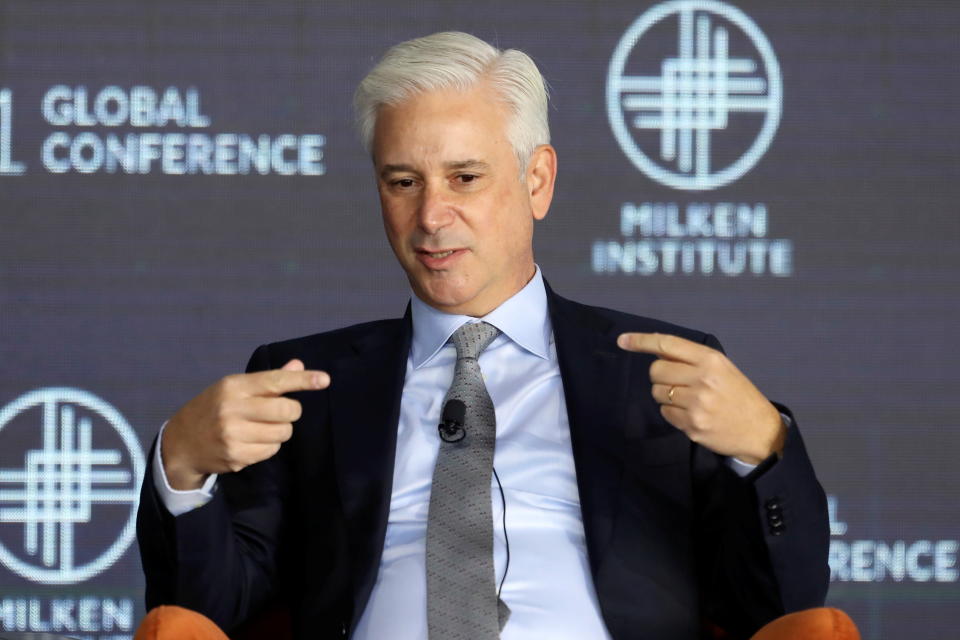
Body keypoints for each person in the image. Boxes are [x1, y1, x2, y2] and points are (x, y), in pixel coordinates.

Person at [137, 31, 829, 640]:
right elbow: (208, 614)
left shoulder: (663, 374)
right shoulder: (307, 382)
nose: (432, 215)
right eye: (402, 181)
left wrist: (765, 450)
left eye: (464, 178)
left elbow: (780, 609)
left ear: (537, 181)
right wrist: (183, 467)